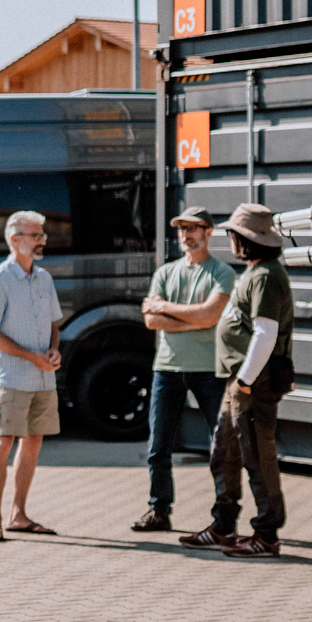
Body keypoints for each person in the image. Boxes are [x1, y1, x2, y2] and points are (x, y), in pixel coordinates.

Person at [179, 203, 295, 559]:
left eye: (233, 234)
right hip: (239, 381)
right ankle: (223, 526)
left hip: (251, 383)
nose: (230, 240)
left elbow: (266, 333)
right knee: (224, 452)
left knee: (257, 457)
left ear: (244, 240)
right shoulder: (257, 271)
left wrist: (245, 381)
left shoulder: (264, 277)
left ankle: (266, 535)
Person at [130, 207, 235, 532]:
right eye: (181, 229)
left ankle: (224, 517)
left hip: (209, 369)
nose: (185, 234)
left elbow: (210, 316)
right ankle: (158, 511)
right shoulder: (165, 272)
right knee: (158, 446)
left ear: (208, 231)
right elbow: (151, 320)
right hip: (167, 368)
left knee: (220, 445)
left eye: (193, 228)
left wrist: (166, 309)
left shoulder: (222, 272)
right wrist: (190, 317)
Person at [0, 210, 63, 542]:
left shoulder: (44, 278)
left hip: (43, 379)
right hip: (11, 378)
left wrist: (55, 350)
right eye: (36, 235)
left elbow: (54, 326)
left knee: (34, 442)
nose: (42, 241)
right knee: (2, 442)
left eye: (42, 235)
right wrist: (30, 357)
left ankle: (19, 515)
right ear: (15, 240)